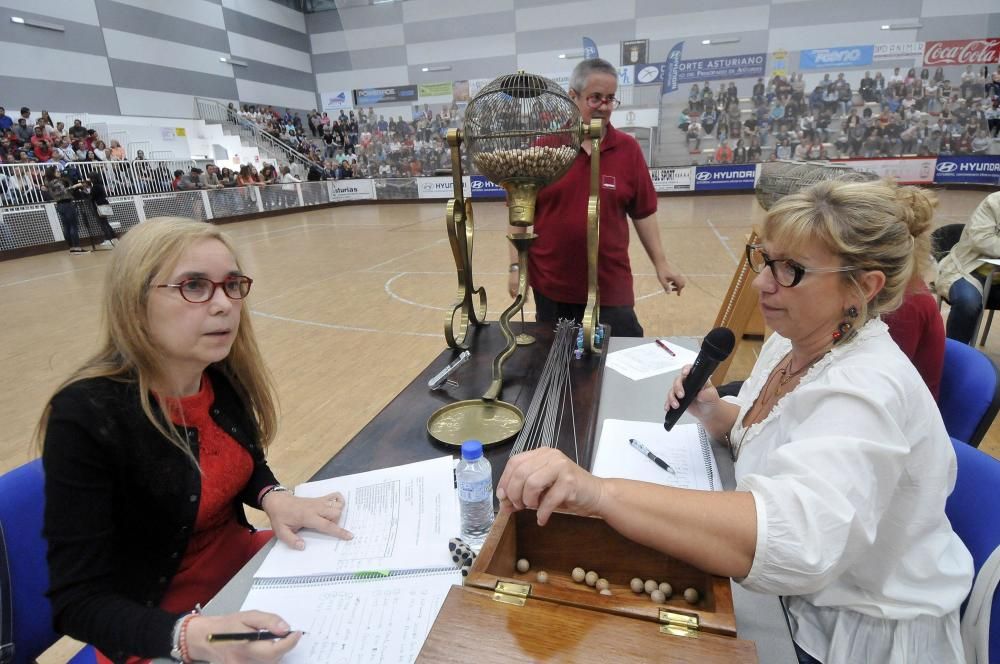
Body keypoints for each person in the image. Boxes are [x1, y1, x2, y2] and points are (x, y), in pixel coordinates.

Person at [498, 179, 972, 664]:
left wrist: (600, 493)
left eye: (791, 270)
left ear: (863, 288)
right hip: (793, 599)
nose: (762, 283)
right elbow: (767, 434)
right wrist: (716, 412)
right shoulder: (795, 338)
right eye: (765, 260)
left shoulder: (866, 390)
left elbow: (797, 543)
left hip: (847, 630)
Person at [40, 217, 353, 662]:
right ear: (134, 302)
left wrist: (272, 495)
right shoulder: (85, 416)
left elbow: (241, 460)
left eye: (231, 285)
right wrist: (196, 637)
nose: (224, 304)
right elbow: (77, 605)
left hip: (246, 576)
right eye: (194, 286)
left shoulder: (216, 373)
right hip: (159, 633)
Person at [507, 58, 686, 337]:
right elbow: (519, 218)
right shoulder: (542, 149)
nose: (604, 106)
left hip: (611, 287)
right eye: (595, 98)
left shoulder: (628, 150)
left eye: (610, 98)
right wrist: (516, 267)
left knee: (620, 359)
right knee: (561, 367)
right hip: (552, 287)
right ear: (572, 97)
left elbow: (643, 212)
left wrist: (661, 262)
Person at [936, 191, 1000, 344]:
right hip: (971, 269)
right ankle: (956, 354)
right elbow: (981, 239)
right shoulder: (994, 201)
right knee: (968, 303)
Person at [44, 166, 87, 253]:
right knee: (73, 226)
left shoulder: (49, 183)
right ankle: (77, 247)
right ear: (52, 173)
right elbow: (64, 191)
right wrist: (76, 186)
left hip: (60, 205)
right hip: (67, 204)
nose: (59, 172)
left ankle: (71, 247)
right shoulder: (56, 182)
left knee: (66, 227)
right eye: (56, 171)